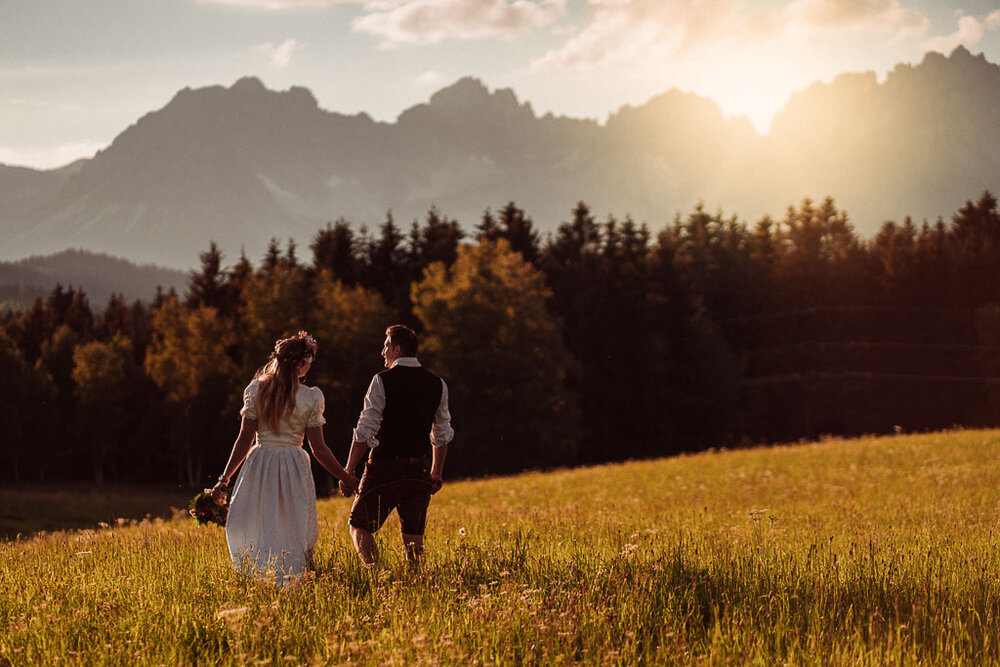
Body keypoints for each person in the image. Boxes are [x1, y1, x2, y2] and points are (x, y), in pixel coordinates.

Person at [210, 331, 359, 586]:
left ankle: (259, 575)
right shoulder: (310, 397)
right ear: (300, 364)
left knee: (257, 517)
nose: (309, 368)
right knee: (291, 520)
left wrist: (224, 479)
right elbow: (319, 447)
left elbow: (244, 439)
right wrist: (344, 476)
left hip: (260, 462)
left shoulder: (257, 389)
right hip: (293, 463)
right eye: (309, 363)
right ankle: (290, 577)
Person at [342, 324, 454, 566]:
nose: (382, 353)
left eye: (386, 347)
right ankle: (416, 585)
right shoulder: (437, 384)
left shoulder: (381, 381)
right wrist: (436, 471)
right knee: (414, 538)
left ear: (397, 348)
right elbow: (442, 434)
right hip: (420, 469)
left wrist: (349, 470)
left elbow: (364, 431)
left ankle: (376, 575)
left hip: (385, 466)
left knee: (358, 525)